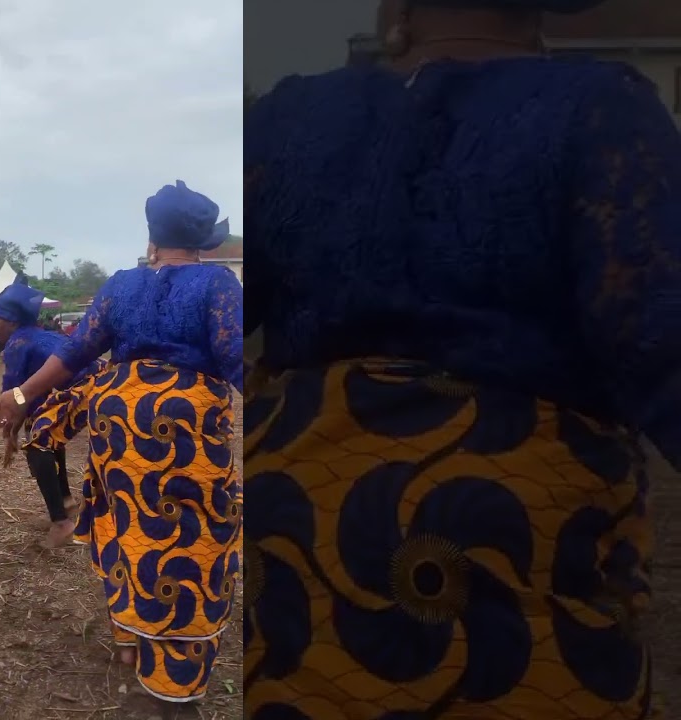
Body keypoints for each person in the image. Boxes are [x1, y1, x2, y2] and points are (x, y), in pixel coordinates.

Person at [243, 0, 670, 717]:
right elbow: (661, 333)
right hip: (514, 568)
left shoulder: (287, 118)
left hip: (296, 556)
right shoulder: (599, 110)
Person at [0, 181, 242, 708]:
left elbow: (77, 353)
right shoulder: (218, 285)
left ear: (152, 240)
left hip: (118, 419)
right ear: (203, 245)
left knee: (130, 520)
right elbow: (237, 358)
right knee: (193, 528)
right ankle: (175, 674)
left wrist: (19, 394)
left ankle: (130, 639)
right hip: (185, 423)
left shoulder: (121, 285)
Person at [0, 277, 105, 546]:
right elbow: (29, 397)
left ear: (13, 322)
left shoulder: (18, 343)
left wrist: (11, 436)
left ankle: (62, 524)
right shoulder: (41, 334)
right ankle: (65, 502)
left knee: (38, 443)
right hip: (102, 381)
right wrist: (17, 429)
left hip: (89, 387)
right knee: (45, 430)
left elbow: (14, 397)